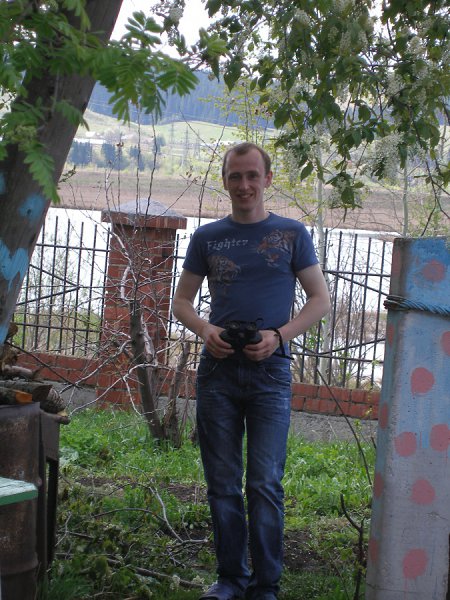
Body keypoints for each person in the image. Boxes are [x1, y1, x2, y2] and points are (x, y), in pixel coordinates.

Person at [172, 142, 331, 600]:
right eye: (235, 176)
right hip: (218, 373)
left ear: (267, 179)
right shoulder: (207, 238)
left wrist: (279, 336)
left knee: (264, 484)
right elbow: (181, 302)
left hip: (270, 374)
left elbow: (320, 300)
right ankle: (230, 580)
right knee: (222, 485)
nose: (244, 185)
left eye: (252, 175)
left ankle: (265, 586)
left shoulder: (291, 233)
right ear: (225, 180)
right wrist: (206, 329)